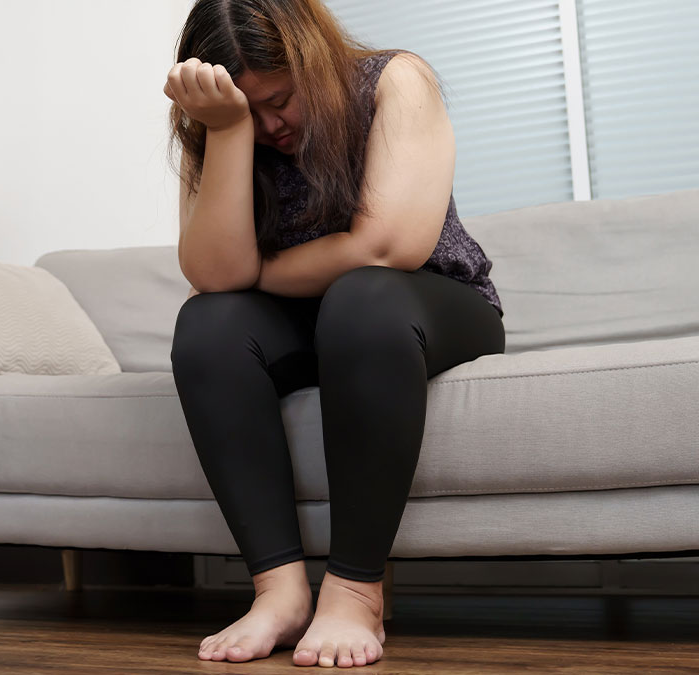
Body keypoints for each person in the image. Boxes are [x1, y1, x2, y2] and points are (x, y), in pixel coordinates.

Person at [163, 0, 506, 668]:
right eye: (250, 111)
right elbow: (214, 276)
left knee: (362, 296)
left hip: (432, 303)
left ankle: (354, 589)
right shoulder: (220, 124)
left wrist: (258, 269)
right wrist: (228, 129)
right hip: (322, 316)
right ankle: (280, 590)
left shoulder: (394, 80)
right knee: (207, 325)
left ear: (310, 57)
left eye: (281, 100)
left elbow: (387, 246)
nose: (272, 125)